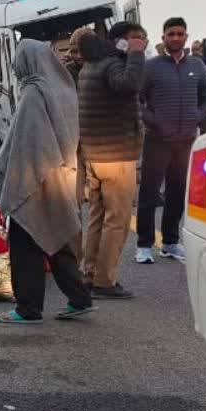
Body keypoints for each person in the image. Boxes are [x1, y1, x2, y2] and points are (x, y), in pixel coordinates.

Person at [0, 39, 94, 324]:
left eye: (18, 59)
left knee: (26, 243)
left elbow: (26, 143)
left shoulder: (33, 93)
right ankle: (80, 298)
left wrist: (8, 170)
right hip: (61, 173)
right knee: (55, 235)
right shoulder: (61, 88)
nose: (15, 65)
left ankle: (28, 309)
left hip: (35, 179)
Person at [76, 23, 146, 299]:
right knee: (117, 220)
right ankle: (105, 281)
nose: (139, 42)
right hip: (115, 155)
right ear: (119, 41)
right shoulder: (111, 65)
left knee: (97, 216)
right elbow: (129, 84)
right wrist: (137, 55)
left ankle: (89, 273)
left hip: (95, 155)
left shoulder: (88, 67)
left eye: (141, 39)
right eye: (134, 38)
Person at [136, 17, 206, 264]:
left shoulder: (198, 66)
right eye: (171, 34)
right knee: (148, 193)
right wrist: (152, 120)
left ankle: (170, 242)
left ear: (186, 37)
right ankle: (144, 245)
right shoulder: (151, 66)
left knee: (177, 193)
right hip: (157, 140)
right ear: (163, 38)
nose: (176, 38)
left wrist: (197, 117)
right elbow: (138, 100)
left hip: (185, 140)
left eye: (180, 34)